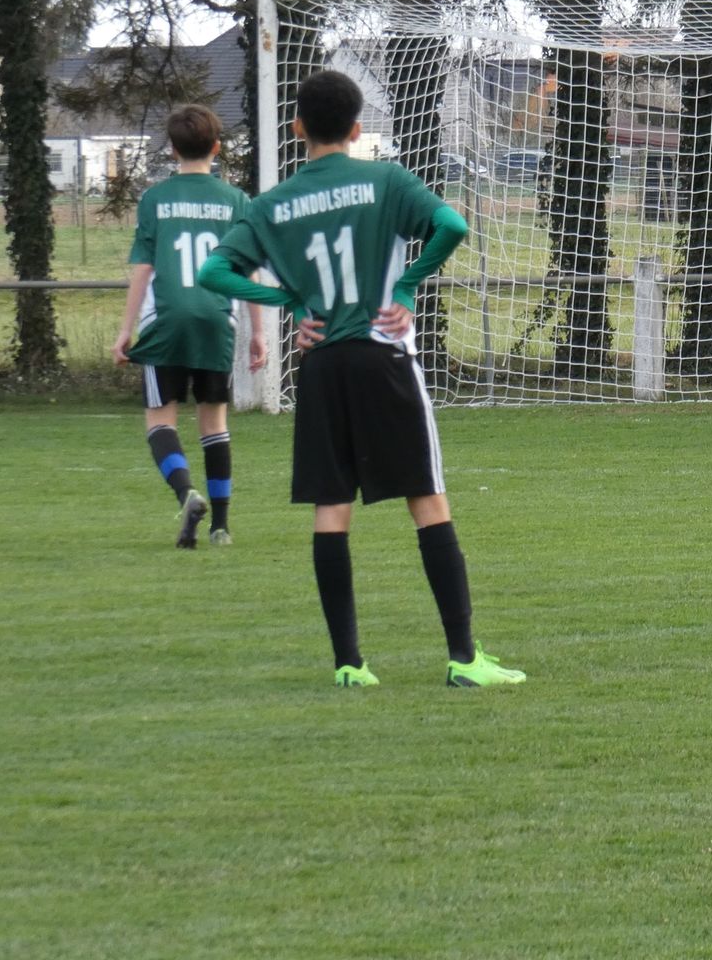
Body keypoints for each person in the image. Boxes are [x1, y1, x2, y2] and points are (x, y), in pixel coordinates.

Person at [198, 69, 525, 691]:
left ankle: (350, 664)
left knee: (332, 507)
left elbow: (215, 272)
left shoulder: (272, 205)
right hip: (383, 356)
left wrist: (291, 299)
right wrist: (405, 286)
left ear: (297, 127)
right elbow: (452, 226)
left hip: (321, 367)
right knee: (426, 498)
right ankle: (463, 659)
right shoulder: (387, 180)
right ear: (356, 129)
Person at [112, 105, 266, 547]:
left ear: (172, 149)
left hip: (166, 320)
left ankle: (186, 494)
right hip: (216, 319)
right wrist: (258, 332)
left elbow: (143, 269)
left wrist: (125, 330)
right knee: (214, 423)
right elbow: (248, 270)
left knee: (160, 421)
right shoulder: (236, 201)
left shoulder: (154, 200)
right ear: (217, 147)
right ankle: (221, 527)